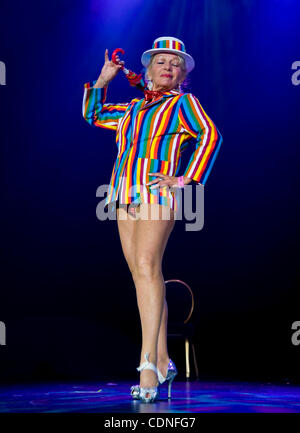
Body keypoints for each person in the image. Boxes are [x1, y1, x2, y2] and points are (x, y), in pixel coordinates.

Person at [82, 36, 222, 403]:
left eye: (175, 65)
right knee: (144, 274)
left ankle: (147, 365)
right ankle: (163, 361)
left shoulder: (183, 103)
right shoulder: (132, 108)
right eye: (161, 62)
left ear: (181, 76)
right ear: (148, 69)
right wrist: (103, 80)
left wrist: (184, 178)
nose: (168, 68)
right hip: (120, 193)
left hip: (156, 192)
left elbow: (210, 136)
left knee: (146, 267)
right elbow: (93, 114)